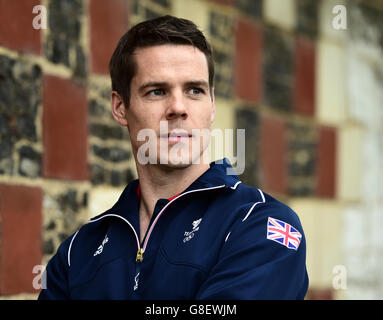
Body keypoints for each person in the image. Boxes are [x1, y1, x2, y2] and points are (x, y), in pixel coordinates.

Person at [39, 15, 308, 300]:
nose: (178, 108)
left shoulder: (261, 224)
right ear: (120, 108)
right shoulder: (76, 253)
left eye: (195, 90)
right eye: (157, 91)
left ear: (212, 105)